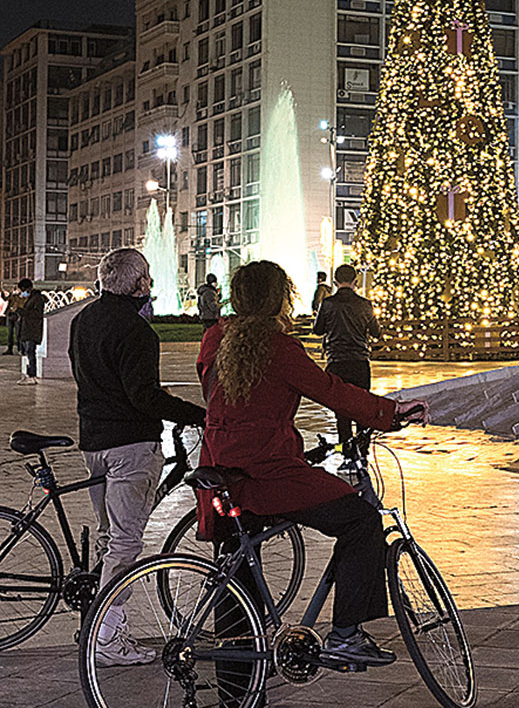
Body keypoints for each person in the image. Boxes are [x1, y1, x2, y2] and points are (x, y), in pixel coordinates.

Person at [196, 259, 427, 666]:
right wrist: (390, 413)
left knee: (236, 565)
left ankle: (239, 679)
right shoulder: (278, 347)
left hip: (221, 464)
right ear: (279, 299)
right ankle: (345, 634)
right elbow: (331, 391)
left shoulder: (216, 337)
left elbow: (212, 391)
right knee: (361, 521)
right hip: (266, 467)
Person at [70, 248, 206, 666]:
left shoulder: (82, 320)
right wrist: (197, 414)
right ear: (140, 284)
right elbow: (143, 397)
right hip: (130, 446)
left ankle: (107, 625)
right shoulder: (138, 331)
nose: (150, 283)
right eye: (147, 276)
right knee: (126, 542)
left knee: (112, 537)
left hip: (93, 443)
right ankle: (105, 637)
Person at [313, 264, 380, 455]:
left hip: (336, 361)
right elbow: (376, 332)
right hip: (359, 361)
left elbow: (318, 330)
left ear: (335, 282)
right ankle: (363, 450)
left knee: (341, 411)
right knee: (363, 408)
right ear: (355, 282)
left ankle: (347, 452)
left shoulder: (328, 304)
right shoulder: (365, 305)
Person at [16, 279, 46, 385]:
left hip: (32, 331)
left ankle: (32, 376)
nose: (22, 292)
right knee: (27, 353)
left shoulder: (37, 299)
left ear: (27, 288)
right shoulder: (31, 299)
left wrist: (23, 312)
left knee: (31, 353)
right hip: (26, 330)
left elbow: (37, 314)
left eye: (22, 290)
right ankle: (28, 374)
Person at [4, 285, 24, 356]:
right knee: (10, 333)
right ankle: (10, 348)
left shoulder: (22, 297)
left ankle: (20, 348)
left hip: (17, 315)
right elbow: (6, 298)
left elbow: (22, 305)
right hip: (10, 314)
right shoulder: (12, 296)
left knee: (18, 333)